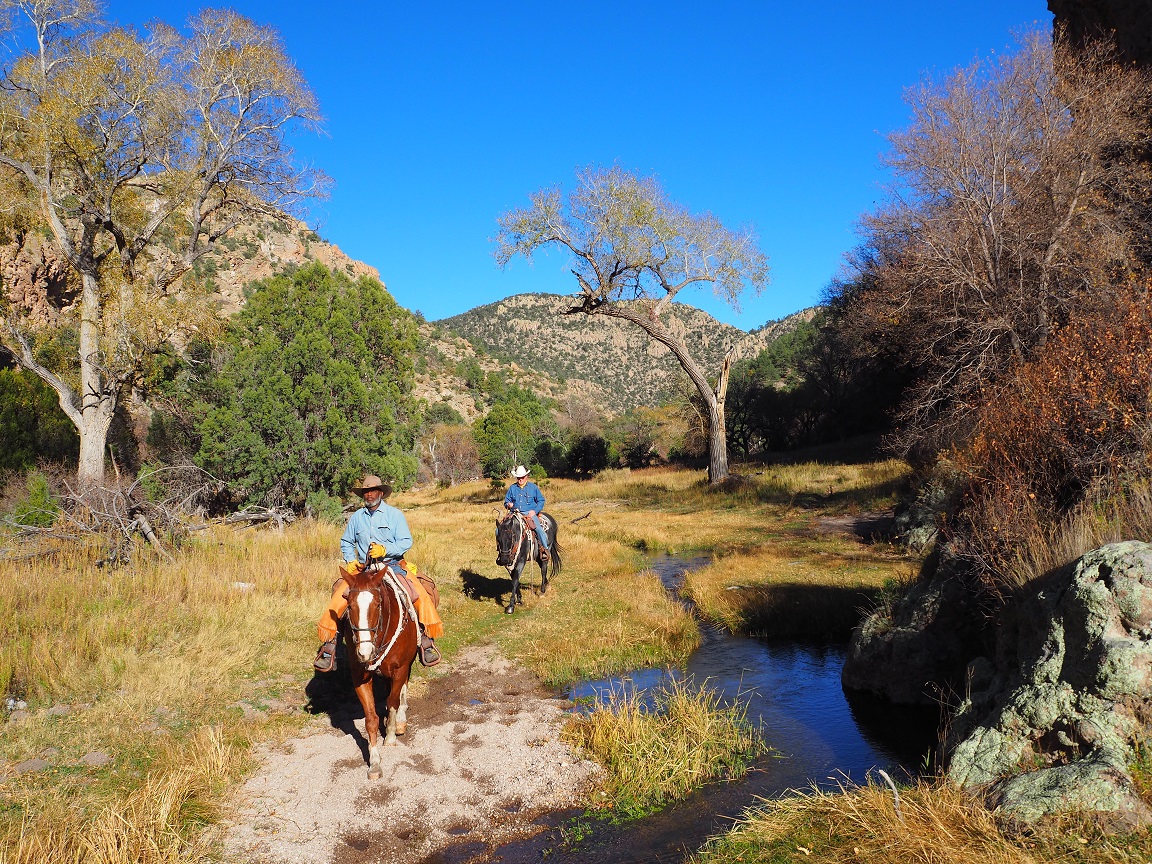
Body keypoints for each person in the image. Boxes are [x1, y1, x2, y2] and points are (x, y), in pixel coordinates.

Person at [313, 474, 442, 672]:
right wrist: (350, 560)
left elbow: (406, 541)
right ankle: (331, 646)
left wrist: (385, 549)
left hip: (392, 566)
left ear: (381, 493)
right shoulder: (357, 517)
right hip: (364, 569)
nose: (369, 494)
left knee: (419, 595)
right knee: (339, 597)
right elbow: (346, 542)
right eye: (366, 492)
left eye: (373, 491)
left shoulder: (394, 515)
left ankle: (425, 641)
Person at [503, 465, 549, 560]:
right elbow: (506, 501)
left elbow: (541, 501)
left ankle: (544, 549)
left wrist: (535, 511)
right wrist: (508, 504)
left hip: (529, 514)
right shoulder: (512, 488)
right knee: (499, 530)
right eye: (518, 477)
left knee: (539, 530)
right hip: (515, 513)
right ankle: (502, 551)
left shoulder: (533, 487)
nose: (520, 479)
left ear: (526, 477)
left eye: (522, 477)